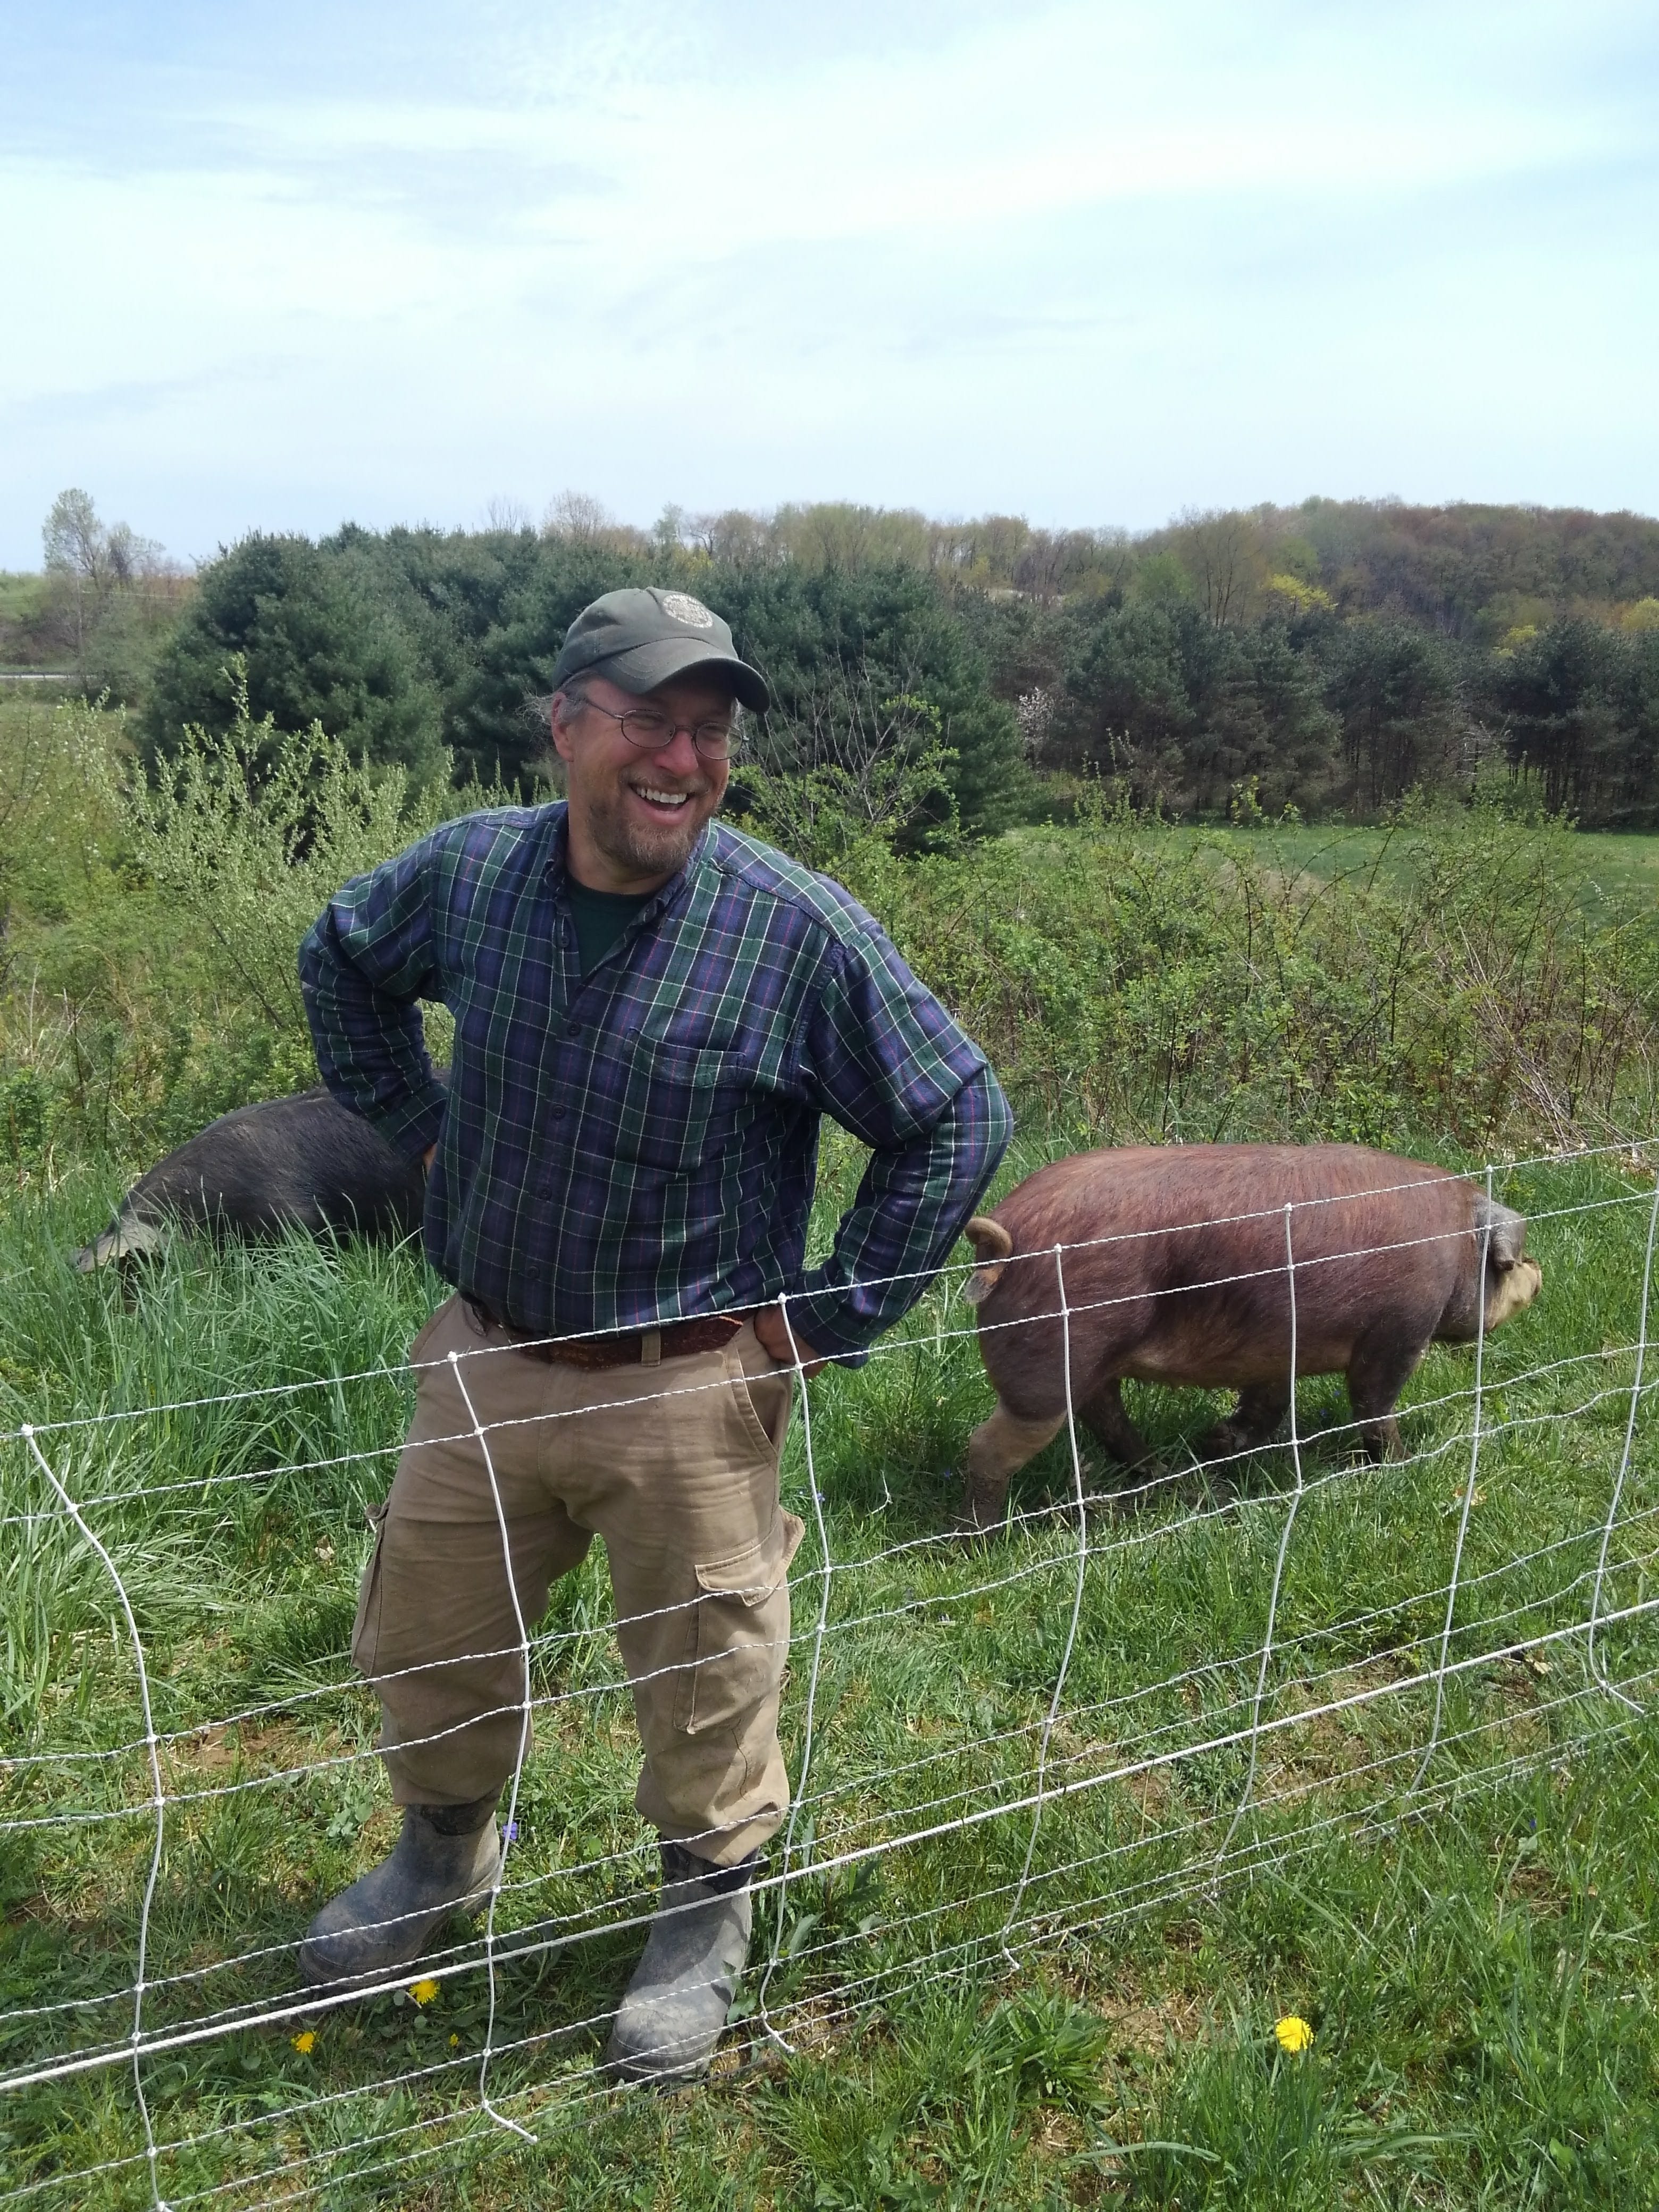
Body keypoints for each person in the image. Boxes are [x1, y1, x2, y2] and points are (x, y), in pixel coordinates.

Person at [297, 585, 1010, 2083]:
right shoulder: (473, 875)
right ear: (564, 726)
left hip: (688, 1382)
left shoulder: (791, 929)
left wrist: (833, 1312)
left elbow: (955, 1112)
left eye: (711, 731)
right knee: (428, 1634)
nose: (684, 758)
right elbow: (342, 957)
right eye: (650, 721)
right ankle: (443, 1852)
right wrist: (425, 1130)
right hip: (485, 1355)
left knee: (706, 1673)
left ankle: (704, 1910)